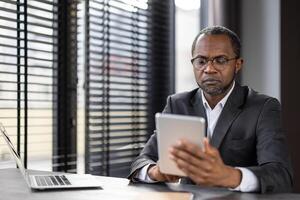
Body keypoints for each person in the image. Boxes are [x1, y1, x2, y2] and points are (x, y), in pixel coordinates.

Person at [128, 26, 293, 193]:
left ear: (237, 64)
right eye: (201, 61)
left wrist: (229, 175)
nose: (209, 69)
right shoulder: (177, 104)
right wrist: (156, 172)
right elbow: (141, 161)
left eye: (220, 60)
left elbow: (280, 176)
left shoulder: (263, 107)